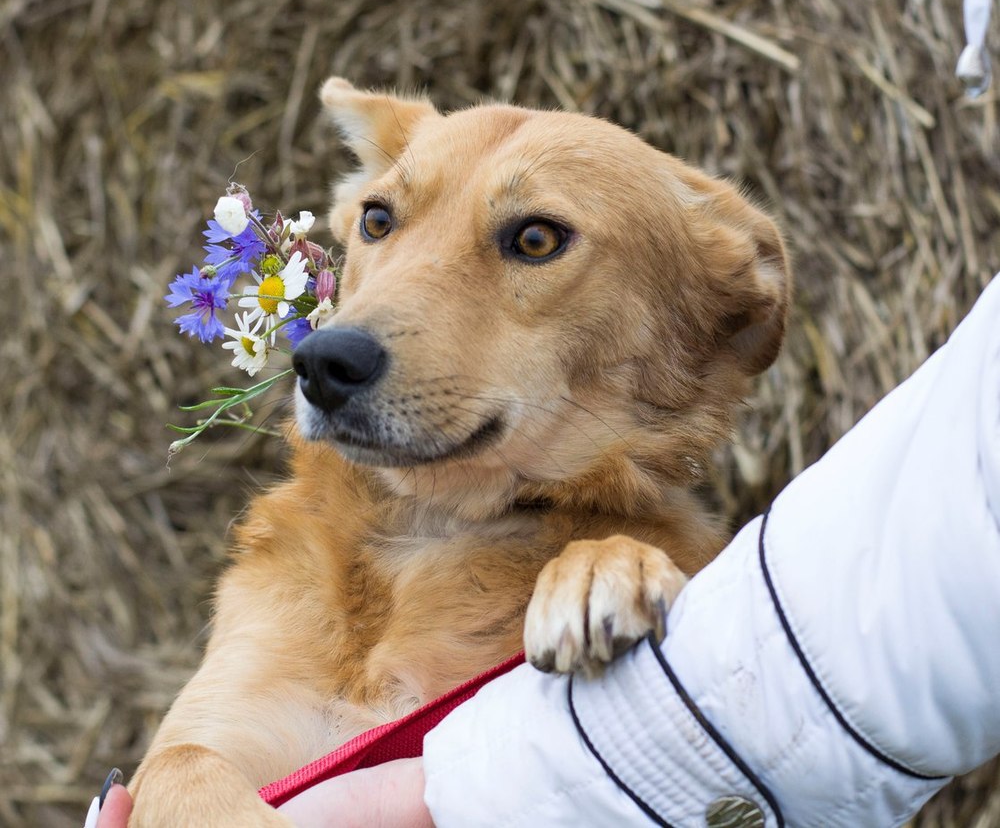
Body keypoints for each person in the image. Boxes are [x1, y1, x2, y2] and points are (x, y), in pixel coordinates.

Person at [89, 272, 1000, 827]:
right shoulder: (284, 582)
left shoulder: (693, 599)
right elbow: (185, 783)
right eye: (383, 219)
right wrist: (187, 787)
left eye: (532, 243)